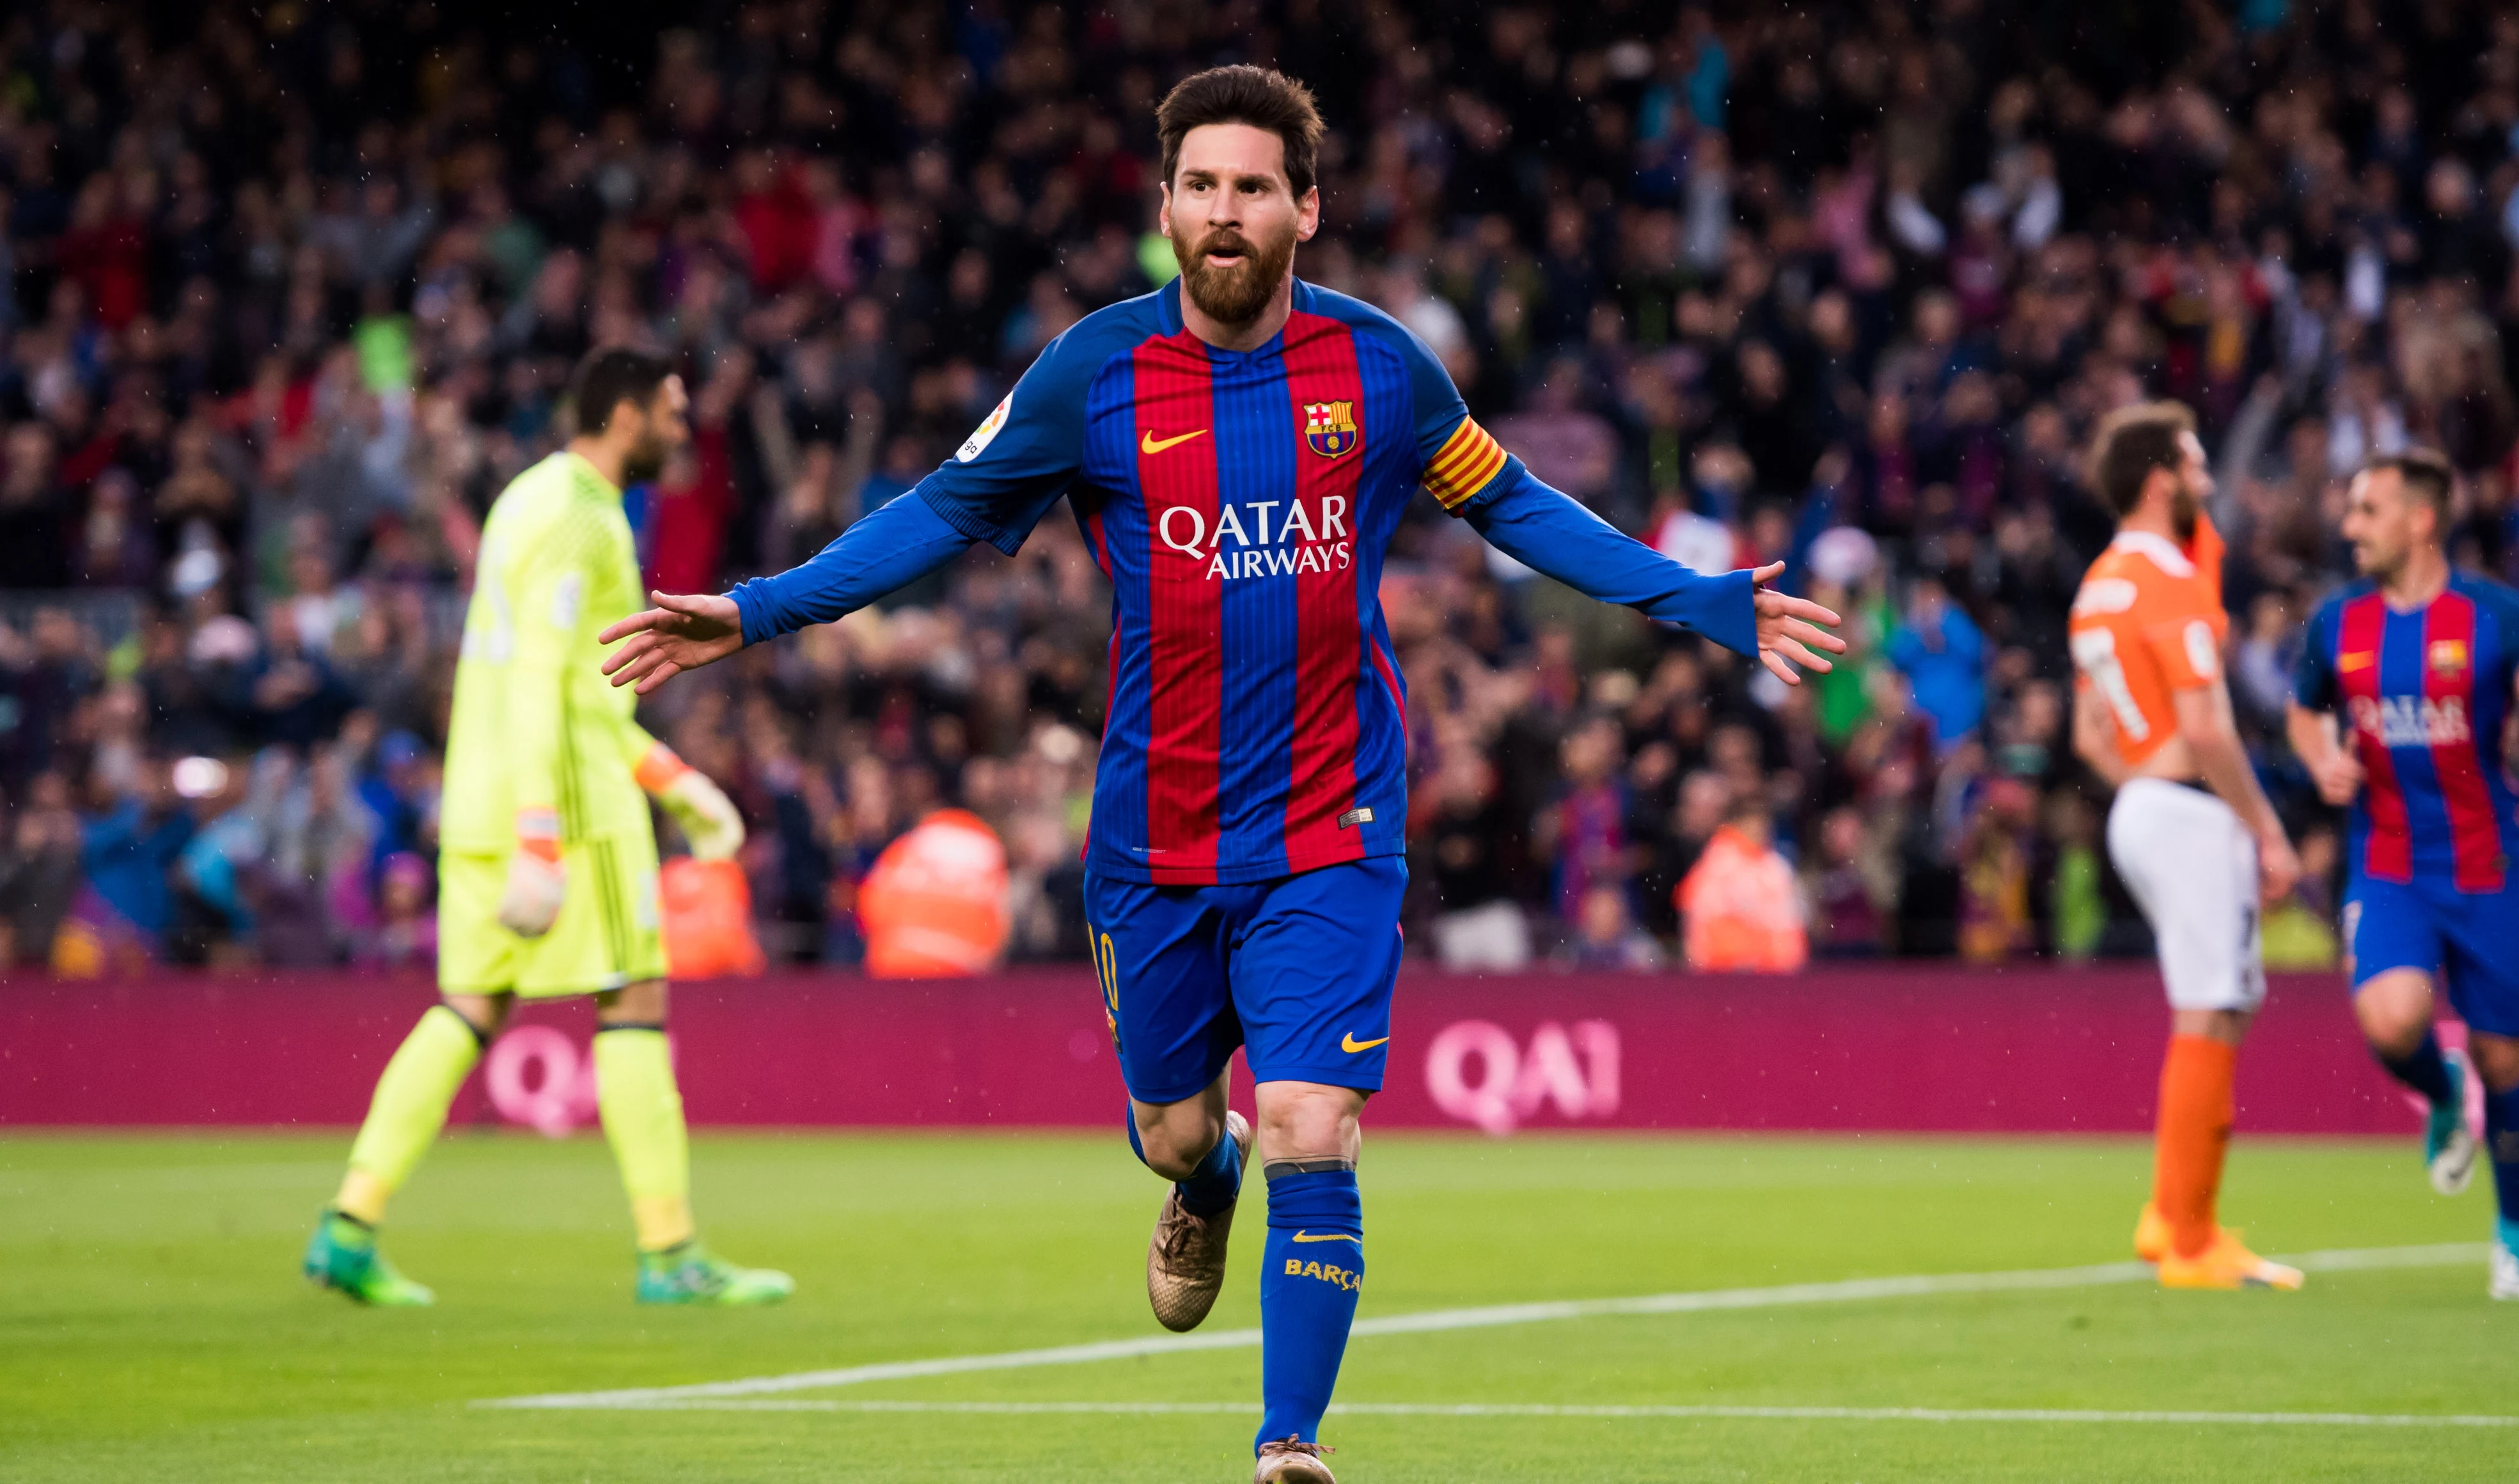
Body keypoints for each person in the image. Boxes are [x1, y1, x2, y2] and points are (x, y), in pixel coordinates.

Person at [595, 66, 1844, 1483]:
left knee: (1320, 1122)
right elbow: (938, 512)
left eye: (1253, 186)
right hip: (1156, 832)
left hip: (1333, 820)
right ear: (1167, 206)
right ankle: (1203, 1172)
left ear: (1304, 208)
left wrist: (1693, 597)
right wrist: (759, 608)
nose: (1224, 212)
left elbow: (1511, 504)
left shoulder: (1378, 370)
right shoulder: (1090, 375)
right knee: (1175, 1121)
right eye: (1200, 186)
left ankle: (1286, 1441)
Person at [301, 348, 781, 1308]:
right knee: (633, 1000)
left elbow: (545, 678)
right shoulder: (581, 519)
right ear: (623, 413)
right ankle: (669, 1253)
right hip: (563, 811)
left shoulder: (525, 498)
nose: (684, 430)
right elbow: (551, 685)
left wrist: (667, 784)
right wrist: (557, 824)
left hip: (477, 794)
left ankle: (349, 1224)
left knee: (470, 1009)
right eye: (671, 410)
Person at [2286, 449, 2519, 1302]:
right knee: (2388, 1023)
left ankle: (2516, 1240)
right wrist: (2318, 762)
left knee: (2503, 1060)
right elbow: (2303, 712)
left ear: (2419, 520)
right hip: (2387, 868)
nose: (2349, 528)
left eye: (2366, 511)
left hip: (2488, 871)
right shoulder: (2334, 624)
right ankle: (2436, 1087)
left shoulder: (2497, 618)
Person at [2068, 401, 2305, 1292]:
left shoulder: (2100, 582)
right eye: (2196, 466)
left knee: (2217, 1005)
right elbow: (2207, 728)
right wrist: (2265, 829)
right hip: (2188, 805)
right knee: (2209, 1010)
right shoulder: (2168, 580)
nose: (2208, 482)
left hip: (2137, 799)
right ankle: (2190, 1239)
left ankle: (2170, 1216)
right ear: (2162, 477)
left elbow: (2088, 735)